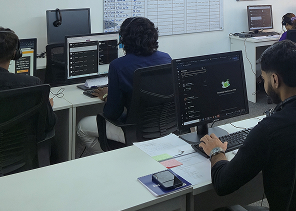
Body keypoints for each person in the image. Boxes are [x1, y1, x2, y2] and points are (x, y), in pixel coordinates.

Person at [200, 40, 296, 211]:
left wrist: (216, 151)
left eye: (264, 79)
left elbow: (223, 184)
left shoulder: (269, 130)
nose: (264, 85)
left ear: (275, 80)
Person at [76, 17, 171, 154]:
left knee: (82, 126)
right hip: (167, 127)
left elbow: (112, 113)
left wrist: (107, 95)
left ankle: (113, 160)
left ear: (124, 39)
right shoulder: (166, 58)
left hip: (136, 132)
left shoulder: (118, 66)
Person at [0, 27, 57, 140]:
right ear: (15, 54)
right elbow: (50, 123)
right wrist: (46, 107)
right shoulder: (33, 83)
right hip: (22, 149)